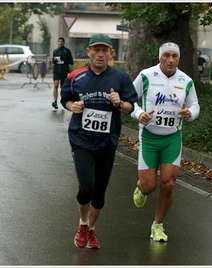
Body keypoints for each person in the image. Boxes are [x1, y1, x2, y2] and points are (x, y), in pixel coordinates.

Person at [60, 33, 138, 249]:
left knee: (100, 193)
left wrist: (119, 103)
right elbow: (65, 99)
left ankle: (91, 229)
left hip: (107, 142)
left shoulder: (120, 77)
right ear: (89, 52)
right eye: (96, 50)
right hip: (81, 139)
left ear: (111, 53)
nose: (101, 54)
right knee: (87, 186)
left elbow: (131, 106)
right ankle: (82, 223)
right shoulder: (75, 76)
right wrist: (71, 106)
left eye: (105, 50)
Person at [131, 42, 200, 242]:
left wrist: (190, 114)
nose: (171, 60)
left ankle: (157, 225)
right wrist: (139, 114)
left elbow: (195, 104)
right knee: (149, 186)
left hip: (172, 138)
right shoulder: (146, 76)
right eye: (167, 56)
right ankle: (141, 187)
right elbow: (129, 98)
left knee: (168, 183)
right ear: (160, 57)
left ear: (178, 59)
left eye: (175, 56)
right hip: (149, 138)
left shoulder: (185, 80)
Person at [52, 37, 74, 109]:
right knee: (55, 84)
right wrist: (54, 61)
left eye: (62, 41)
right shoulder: (55, 51)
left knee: (62, 87)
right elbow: (53, 60)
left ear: (64, 43)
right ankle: (55, 101)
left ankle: (63, 100)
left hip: (64, 71)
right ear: (57, 42)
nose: (60, 43)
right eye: (59, 41)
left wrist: (64, 59)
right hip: (56, 70)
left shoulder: (66, 51)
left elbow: (71, 62)